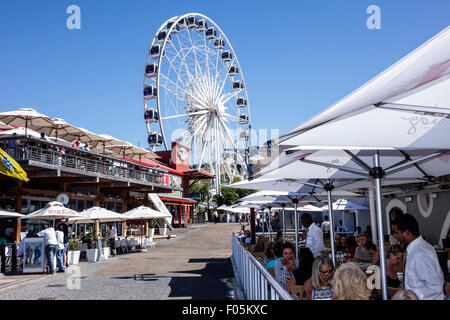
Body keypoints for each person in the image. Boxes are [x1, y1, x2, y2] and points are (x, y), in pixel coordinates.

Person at [392, 214, 444, 300]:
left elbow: (435, 286)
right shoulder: (415, 249)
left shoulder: (420, 253)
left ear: (406, 233)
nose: (394, 236)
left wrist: (411, 297)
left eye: (396, 233)